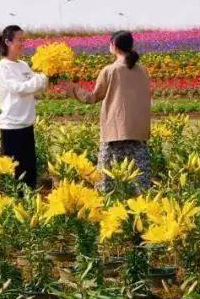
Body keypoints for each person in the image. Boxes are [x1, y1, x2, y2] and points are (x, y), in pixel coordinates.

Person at [64, 30, 152, 190]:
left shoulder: (110, 70)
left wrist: (72, 89)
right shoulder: (143, 71)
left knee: (107, 181)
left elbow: (92, 97)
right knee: (140, 182)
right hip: (138, 133)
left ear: (114, 46)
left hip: (115, 133)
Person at [0, 25, 49, 191]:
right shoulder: (3, 67)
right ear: (8, 42)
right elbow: (19, 88)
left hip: (27, 125)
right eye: (19, 40)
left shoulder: (24, 65)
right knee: (15, 173)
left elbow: (38, 86)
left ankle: (29, 207)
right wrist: (43, 77)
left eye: (23, 39)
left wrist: (46, 75)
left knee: (29, 172)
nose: (23, 43)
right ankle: (14, 206)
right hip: (12, 127)